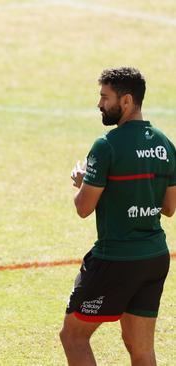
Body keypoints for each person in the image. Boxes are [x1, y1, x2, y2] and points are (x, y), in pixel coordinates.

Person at [60, 67, 175, 365]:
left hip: (116, 259)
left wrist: (84, 182)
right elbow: (169, 208)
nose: (99, 104)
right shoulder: (164, 144)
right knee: (140, 348)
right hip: (155, 258)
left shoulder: (106, 145)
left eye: (104, 97)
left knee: (73, 336)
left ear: (126, 101)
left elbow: (83, 208)